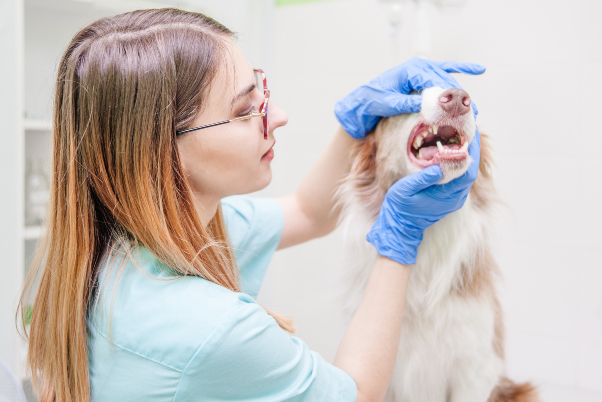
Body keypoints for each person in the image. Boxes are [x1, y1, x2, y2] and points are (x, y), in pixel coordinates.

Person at [18, 8, 485, 402]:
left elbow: (307, 211)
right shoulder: (209, 328)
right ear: (163, 153)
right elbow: (356, 393)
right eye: (245, 111)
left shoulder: (142, 243)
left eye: (262, 92)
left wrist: (353, 122)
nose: (277, 116)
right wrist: (400, 235)